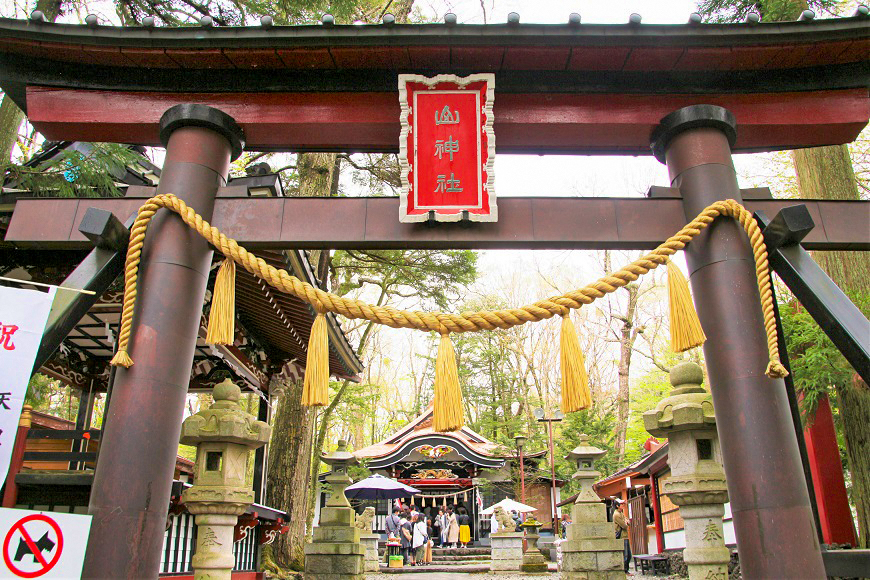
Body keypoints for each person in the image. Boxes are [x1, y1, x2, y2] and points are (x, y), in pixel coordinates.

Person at [613, 500, 631, 573]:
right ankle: (625, 570)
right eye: (621, 504)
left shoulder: (621, 513)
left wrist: (627, 522)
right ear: (617, 505)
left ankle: (626, 569)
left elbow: (627, 521)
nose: (623, 505)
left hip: (625, 535)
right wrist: (626, 523)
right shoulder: (616, 515)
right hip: (622, 536)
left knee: (628, 554)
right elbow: (624, 525)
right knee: (626, 555)